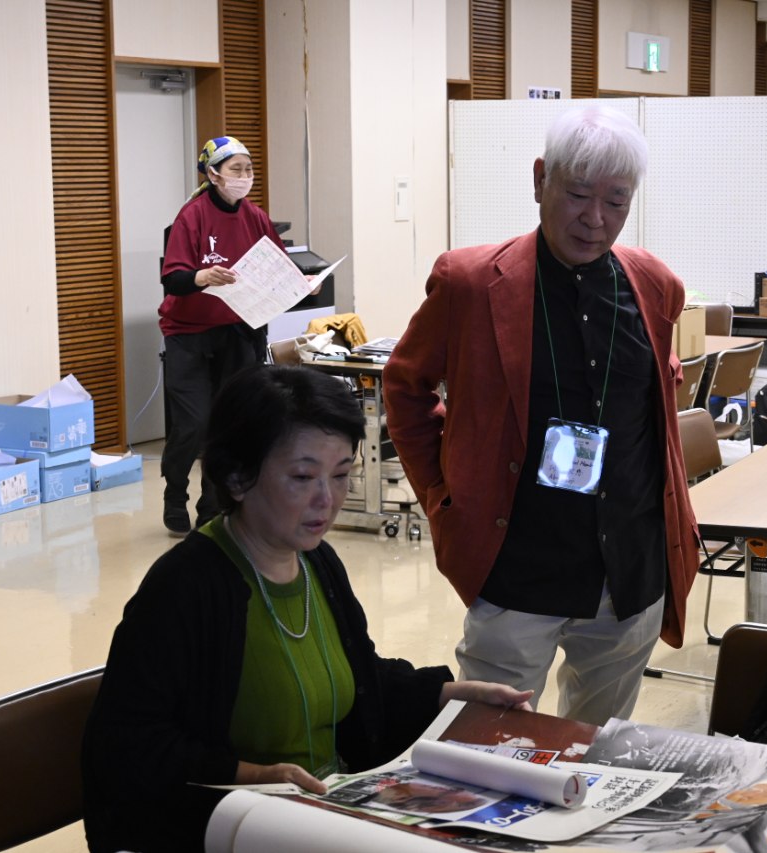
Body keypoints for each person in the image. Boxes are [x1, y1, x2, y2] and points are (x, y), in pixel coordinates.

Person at [81, 364, 531, 852]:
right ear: (237, 477)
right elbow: (125, 744)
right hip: (232, 824)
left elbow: (360, 677)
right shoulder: (186, 587)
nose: (327, 500)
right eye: (302, 477)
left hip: (321, 814)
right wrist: (251, 776)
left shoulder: (317, 563)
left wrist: (452, 694)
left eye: (341, 475)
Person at [383, 105, 699, 727]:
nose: (595, 218)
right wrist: (442, 497)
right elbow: (405, 386)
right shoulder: (470, 282)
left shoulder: (655, 284)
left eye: (616, 201)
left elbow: (657, 400)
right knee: (489, 742)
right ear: (539, 180)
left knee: (596, 747)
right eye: (577, 194)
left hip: (629, 568)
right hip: (518, 564)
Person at [158, 136, 283, 536]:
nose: (244, 177)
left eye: (249, 169)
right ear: (213, 175)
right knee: (194, 423)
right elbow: (173, 279)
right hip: (189, 333)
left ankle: (211, 506)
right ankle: (174, 493)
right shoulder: (192, 216)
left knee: (227, 423)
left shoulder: (256, 217)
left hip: (237, 331)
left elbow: (277, 267)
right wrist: (202, 277)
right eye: (235, 170)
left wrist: (305, 283)